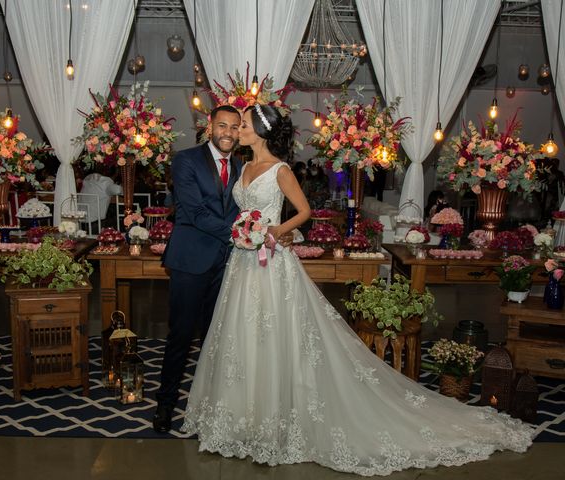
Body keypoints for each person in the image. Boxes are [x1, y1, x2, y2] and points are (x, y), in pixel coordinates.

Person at [182, 104, 533, 475]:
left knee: (273, 337)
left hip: (269, 264)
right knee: (243, 339)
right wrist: (244, 231)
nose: (238, 130)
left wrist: (273, 232)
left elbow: (303, 212)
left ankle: (275, 421)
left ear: (261, 131)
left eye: (245, 125)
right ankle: (242, 420)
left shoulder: (280, 170)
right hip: (242, 264)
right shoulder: (243, 167)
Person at [152, 105, 243, 433]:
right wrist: (239, 234)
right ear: (210, 128)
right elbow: (194, 211)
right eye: (223, 126)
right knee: (181, 336)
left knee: (216, 337)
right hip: (190, 261)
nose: (228, 133)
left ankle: (208, 405)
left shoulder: (241, 166)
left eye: (235, 127)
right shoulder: (186, 160)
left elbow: (242, 208)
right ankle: (165, 404)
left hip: (228, 263)